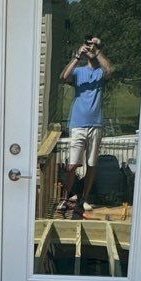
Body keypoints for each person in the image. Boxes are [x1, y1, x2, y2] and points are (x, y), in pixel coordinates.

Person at [58, 36, 114, 219]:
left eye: (95, 45)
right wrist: (77, 56)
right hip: (78, 124)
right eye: (89, 44)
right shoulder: (79, 71)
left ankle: (84, 198)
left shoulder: (100, 72)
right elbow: (64, 77)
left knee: (91, 164)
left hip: (96, 124)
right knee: (72, 165)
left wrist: (97, 52)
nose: (91, 47)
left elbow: (109, 70)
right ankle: (67, 197)